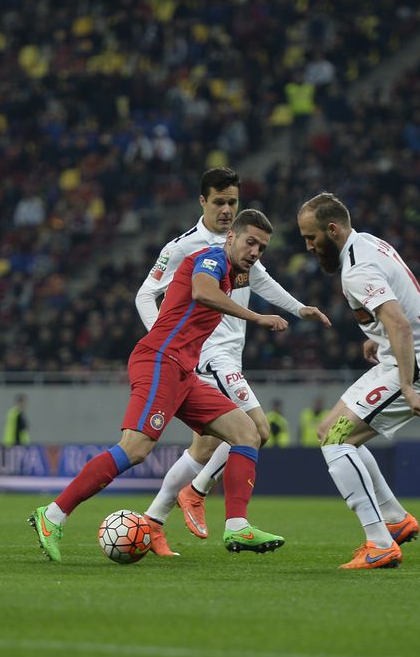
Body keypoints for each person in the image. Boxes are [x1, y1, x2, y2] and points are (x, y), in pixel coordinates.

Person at [30, 209, 290, 562]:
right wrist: (257, 316)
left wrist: (298, 308)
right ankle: (54, 514)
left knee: (248, 432)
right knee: (135, 449)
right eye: (250, 242)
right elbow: (201, 292)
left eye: (262, 246)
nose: (256, 251)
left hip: (184, 371)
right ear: (231, 238)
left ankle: (237, 525)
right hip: (159, 361)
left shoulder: (231, 275)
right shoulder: (211, 259)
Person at [135, 167, 329, 551]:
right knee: (256, 430)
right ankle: (202, 495)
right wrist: (166, 341)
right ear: (202, 201)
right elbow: (145, 294)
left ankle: (153, 521)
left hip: (229, 357)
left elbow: (260, 280)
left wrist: (297, 308)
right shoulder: (182, 247)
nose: (226, 209)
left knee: (206, 445)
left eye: (233, 202)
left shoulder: (243, 243)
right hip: (206, 355)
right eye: (220, 201)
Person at [297, 192, 420, 570]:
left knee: (336, 440)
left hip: (417, 366)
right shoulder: (367, 242)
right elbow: (401, 305)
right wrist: (378, 336)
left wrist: (409, 384)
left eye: (312, 237)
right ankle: (395, 520)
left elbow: (399, 321)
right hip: (407, 357)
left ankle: (379, 543)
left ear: (332, 230)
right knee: (330, 433)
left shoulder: (356, 268)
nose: (308, 247)